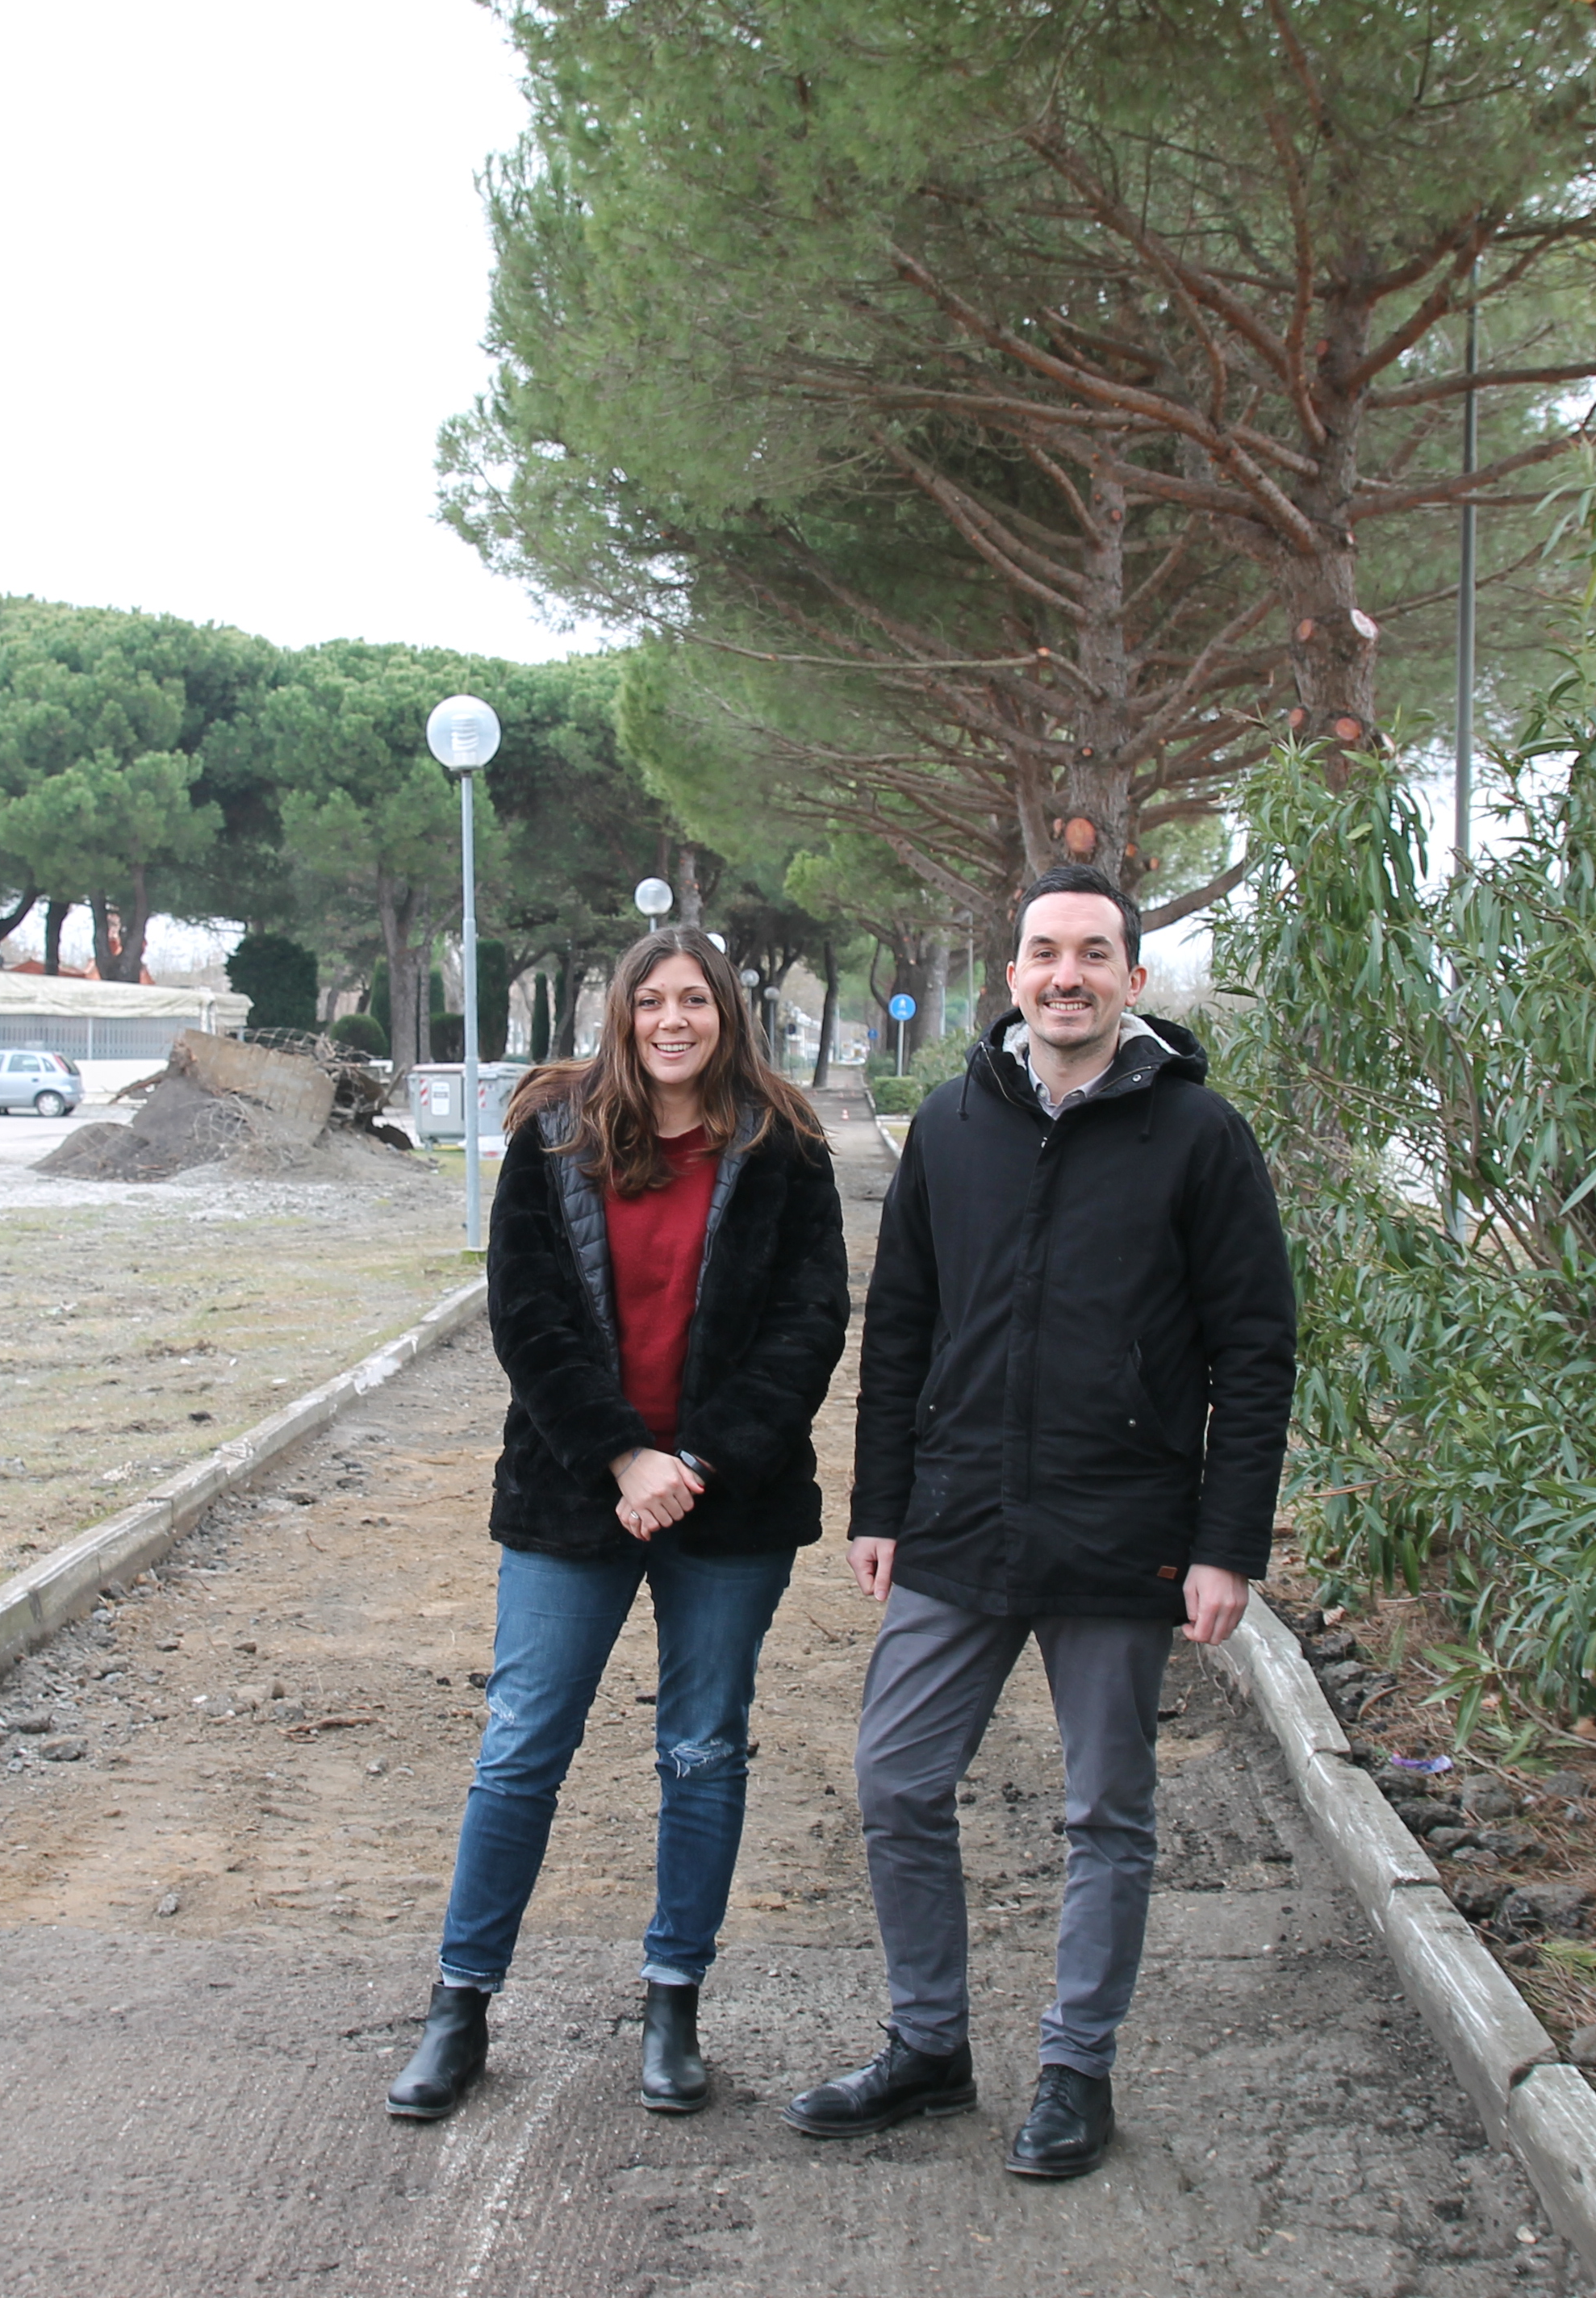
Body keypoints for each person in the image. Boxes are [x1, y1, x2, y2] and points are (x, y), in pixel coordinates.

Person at [784, 863, 1295, 2180]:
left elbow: (1257, 1347)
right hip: (957, 1518)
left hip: (1124, 1529)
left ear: (1131, 977)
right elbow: (898, 1323)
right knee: (897, 1781)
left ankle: (1077, 2071)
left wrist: (1230, 1543)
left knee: (1105, 1814)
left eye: (1093, 953)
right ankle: (929, 2048)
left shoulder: (1200, 1137)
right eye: (1042, 952)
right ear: (1010, 976)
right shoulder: (953, 1122)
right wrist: (880, 1503)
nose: (1066, 974)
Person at [386, 924, 850, 2122]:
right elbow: (525, 1316)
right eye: (653, 1001)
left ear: (727, 1014)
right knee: (522, 1744)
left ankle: (672, 2004)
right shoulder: (553, 1134)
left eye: (695, 999)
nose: (674, 1021)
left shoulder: (786, 1143)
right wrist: (621, 1454)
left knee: (701, 1748)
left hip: (725, 1502)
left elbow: (809, 1326)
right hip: (571, 1491)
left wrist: (694, 1461)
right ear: (622, 1015)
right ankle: (459, 2006)